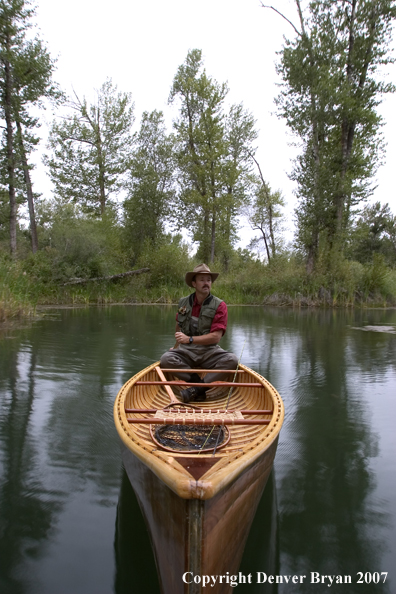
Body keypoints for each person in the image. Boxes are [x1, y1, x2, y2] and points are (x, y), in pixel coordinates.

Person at [160, 263, 238, 402]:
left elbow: (215, 337)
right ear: (194, 283)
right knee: (166, 359)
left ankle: (196, 389)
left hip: (210, 351)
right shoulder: (183, 302)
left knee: (232, 360)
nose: (206, 283)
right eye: (202, 280)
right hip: (186, 351)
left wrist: (189, 339)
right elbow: (179, 326)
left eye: (208, 280)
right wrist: (176, 346)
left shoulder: (220, 305)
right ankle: (196, 383)